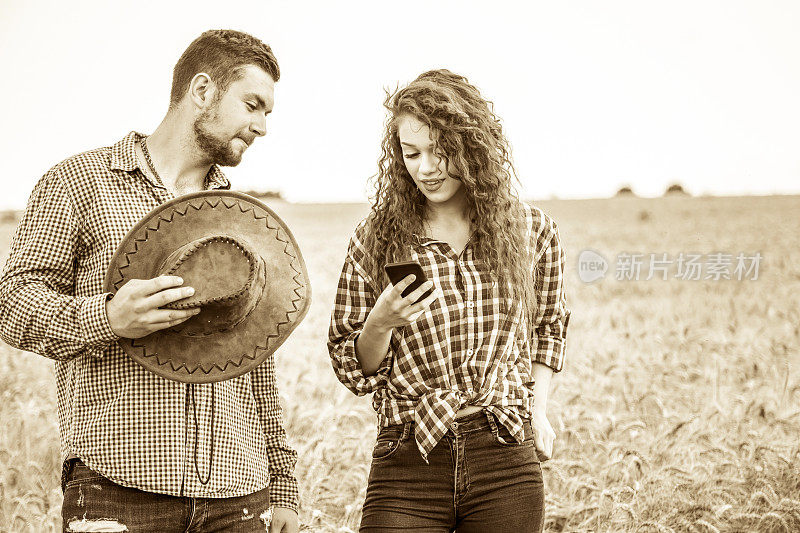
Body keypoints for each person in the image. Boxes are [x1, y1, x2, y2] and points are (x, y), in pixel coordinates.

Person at [0, 30, 300, 533]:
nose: (262, 126)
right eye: (253, 105)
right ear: (202, 90)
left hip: (240, 497)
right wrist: (108, 318)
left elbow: (257, 360)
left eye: (268, 113)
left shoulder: (241, 221)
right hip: (118, 495)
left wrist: (284, 487)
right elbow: (12, 303)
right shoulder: (79, 182)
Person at [328, 69, 571, 532]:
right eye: (411, 153)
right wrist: (380, 323)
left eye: (441, 150)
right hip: (409, 455)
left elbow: (548, 330)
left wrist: (538, 411)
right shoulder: (377, 239)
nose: (426, 167)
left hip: (505, 454)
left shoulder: (532, 231)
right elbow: (351, 366)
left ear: (472, 144)